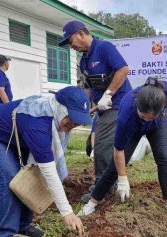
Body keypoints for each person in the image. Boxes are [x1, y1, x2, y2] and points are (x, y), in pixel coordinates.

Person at [0, 86, 90, 237]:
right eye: (71, 117)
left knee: (29, 176)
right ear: (60, 108)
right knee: (10, 177)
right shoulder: (38, 123)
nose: (74, 124)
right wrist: (67, 212)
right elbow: (50, 173)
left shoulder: (53, 116)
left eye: (79, 120)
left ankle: (22, 226)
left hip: (13, 136)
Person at [77, 77, 167, 225]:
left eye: (150, 117)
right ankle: (91, 204)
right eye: (143, 116)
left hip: (158, 126)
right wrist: (123, 178)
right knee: (113, 168)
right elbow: (119, 150)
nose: (146, 120)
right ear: (138, 106)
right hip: (133, 128)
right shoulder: (127, 112)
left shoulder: (163, 89)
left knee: (164, 160)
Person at [58, 20, 132, 201]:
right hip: (102, 107)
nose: (71, 45)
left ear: (81, 34)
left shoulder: (104, 47)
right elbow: (89, 88)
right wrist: (82, 107)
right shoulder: (84, 61)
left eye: (70, 40)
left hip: (118, 104)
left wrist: (108, 94)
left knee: (102, 146)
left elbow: (123, 69)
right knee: (97, 144)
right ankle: (106, 183)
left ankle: (104, 188)